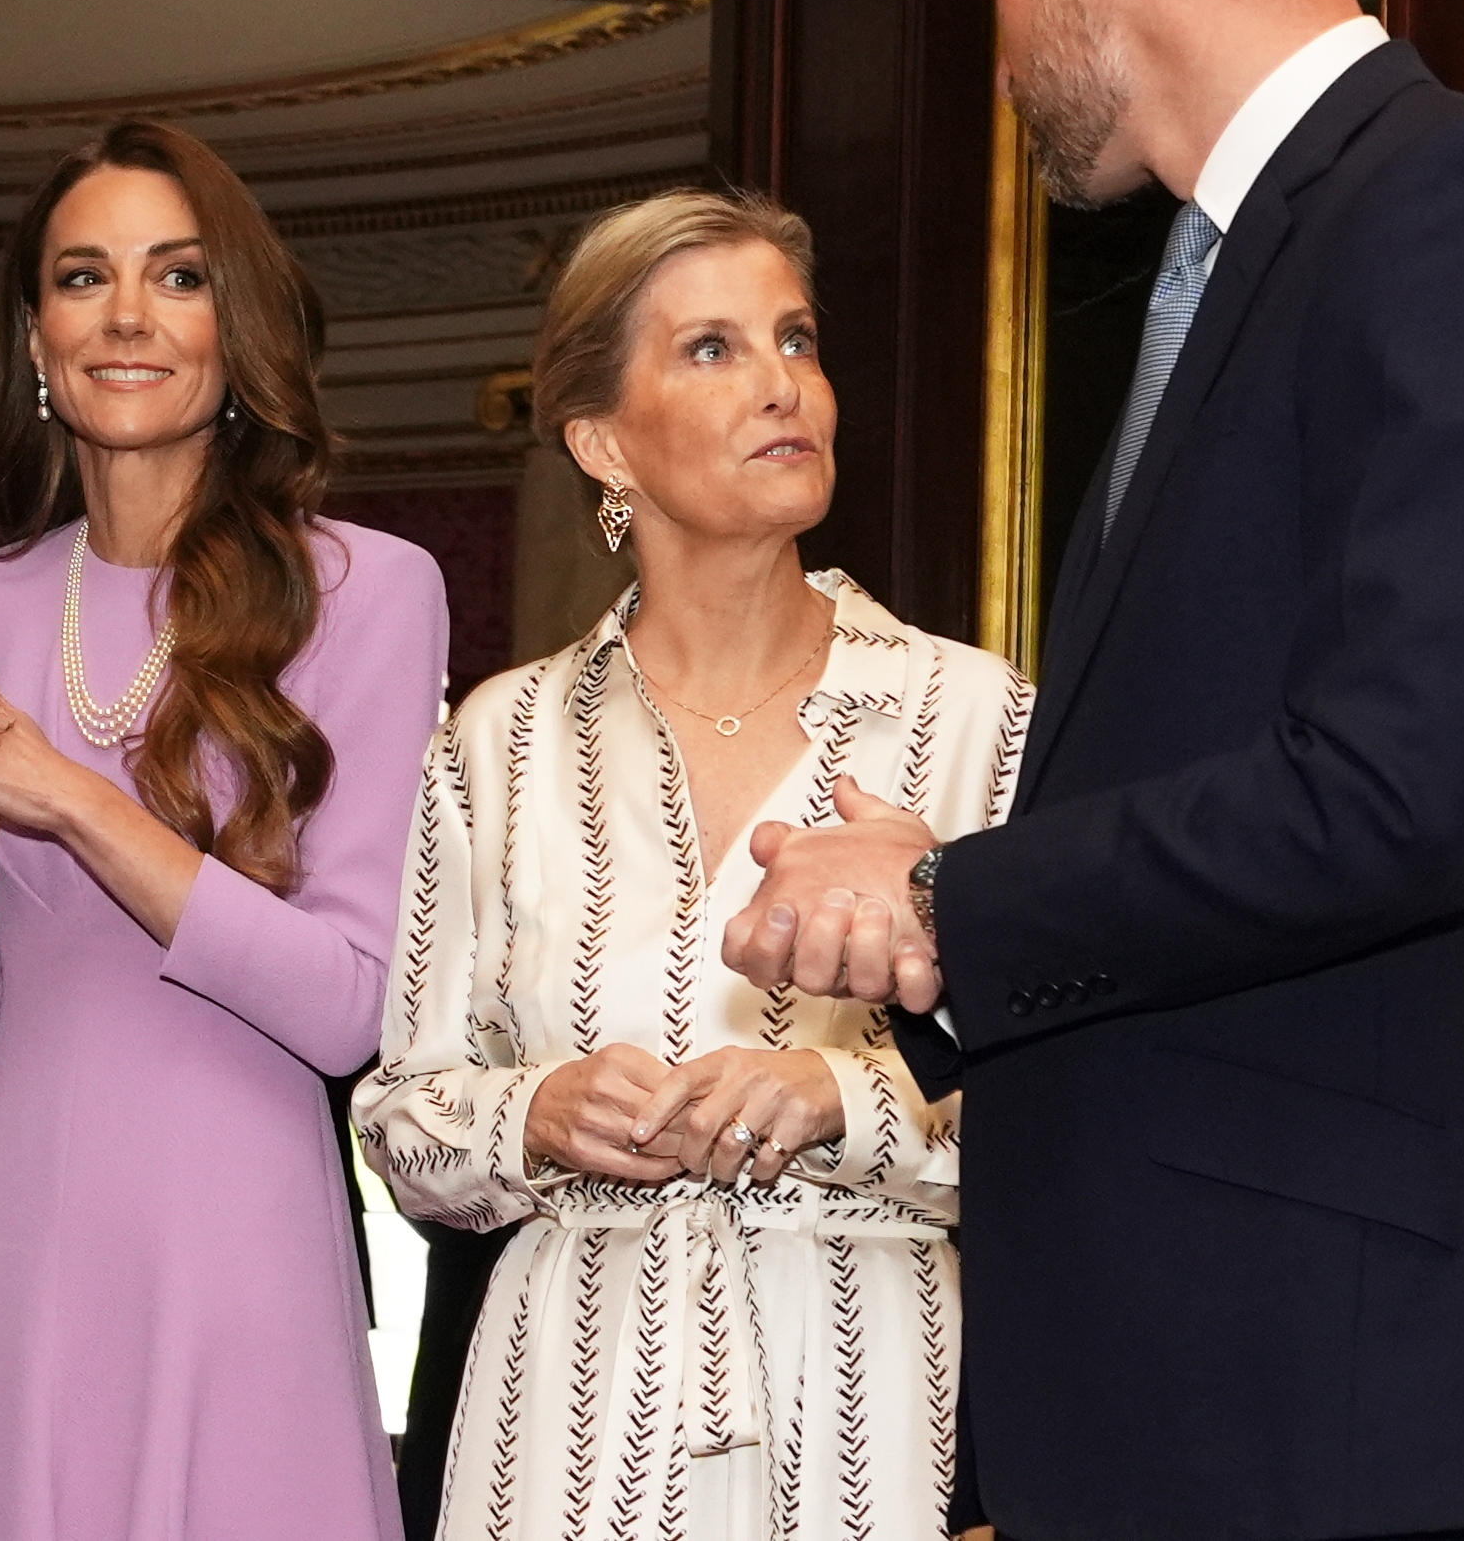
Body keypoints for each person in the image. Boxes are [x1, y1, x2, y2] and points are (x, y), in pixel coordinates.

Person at [721, 0, 1464, 1541]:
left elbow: (1395, 794)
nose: (997, 49)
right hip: (1186, 1397)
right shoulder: (1225, 268)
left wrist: (946, 902)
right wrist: (948, 907)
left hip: (1323, 1408)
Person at [356, 190, 1030, 1539]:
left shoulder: (978, 716)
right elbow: (404, 1112)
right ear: (604, 440)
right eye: (713, 349)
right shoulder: (500, 740)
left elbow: (1074, 1097)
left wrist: (839, 1094)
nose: (784, 383)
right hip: (563, 1400)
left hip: (877, 1387)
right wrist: (534, 1114)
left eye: (797, 338)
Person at [0, 119, 446, 1541]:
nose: (126, 316)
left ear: (236, 330)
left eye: (178, 278)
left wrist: (62, 795)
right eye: (83, 277)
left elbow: (348, 1007)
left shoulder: (368, 589)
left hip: (243, 1259)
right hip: (24, 1254)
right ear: (34, 339)